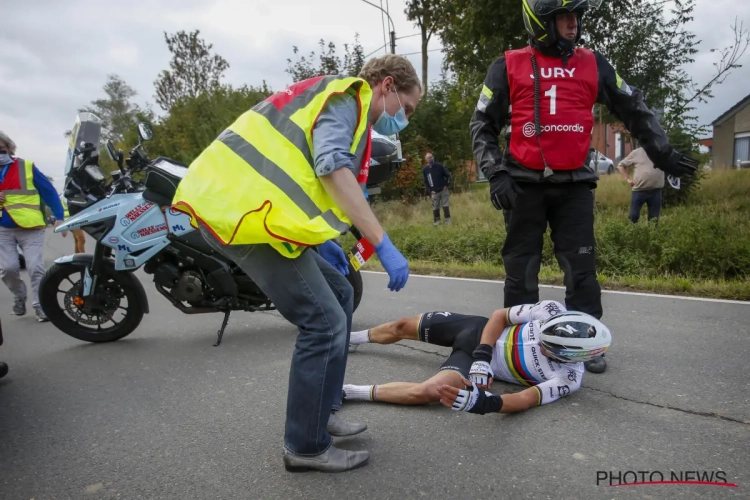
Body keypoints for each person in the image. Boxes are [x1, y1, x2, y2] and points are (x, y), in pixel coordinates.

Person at [171, 55, 421, 473]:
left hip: (257, 216)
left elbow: (296, 177)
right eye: (407, 109)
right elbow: (330, 168)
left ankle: (323, 411)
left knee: (340, 294)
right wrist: (382, 242)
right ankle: (305, 446)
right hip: (240, 216)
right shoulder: (348, 98)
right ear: (387, 85)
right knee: (322, 321)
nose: (404, 119)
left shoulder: (342, 107)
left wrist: (321, 242)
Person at [470, 0, 698, 375]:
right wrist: (495, 171)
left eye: (576, 17)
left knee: (581, 270)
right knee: (521, 271)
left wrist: (663, 152)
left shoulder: (594, 63)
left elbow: (633, 107)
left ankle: (585, 343)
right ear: (541, 22)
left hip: (574, 185)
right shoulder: (507, 64)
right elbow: (482, 123)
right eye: (564, 17)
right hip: (523, 186)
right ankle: (521, 344)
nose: (573, 24)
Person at [342, 300, 611, 415]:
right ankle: (349, 339)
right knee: (402, 325)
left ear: (569, 357)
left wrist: (484, 403)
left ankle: (348, 392)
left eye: (546, 347)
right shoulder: (550, 309)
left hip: (473, 366)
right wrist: (483, 353)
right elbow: (499, 316)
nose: (538, 343)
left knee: (428, 392)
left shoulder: (569, 378)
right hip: (477, 332)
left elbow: (524, 399)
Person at [0, 131, 66, 322]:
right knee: (9, 269)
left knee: (35, 267)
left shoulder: (25, 166)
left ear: (9, 148)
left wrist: (60, 216)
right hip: (3, 229)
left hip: (31, 227)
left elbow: (48, 191)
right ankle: (19, 295)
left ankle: (40, 306)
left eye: (2, 150)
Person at [617, 147, 665, 224]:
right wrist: (628, 179)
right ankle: (632, 234)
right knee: (633, 217)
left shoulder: (661, 151)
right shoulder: (637, 152)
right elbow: (621, 166)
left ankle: (652, 235)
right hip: (639, 191)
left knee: (654, 219)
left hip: (656, 191)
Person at [422, 152, 452, 225]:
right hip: (434, 191)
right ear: (426, 160)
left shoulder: (439, 166)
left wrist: (446, 184)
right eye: (429, 157)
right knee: (435, 207)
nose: (431, 158)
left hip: (443, 189)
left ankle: (447, 221)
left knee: (445, 205)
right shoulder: (425, 170)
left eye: (432, 157)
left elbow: (448, 175)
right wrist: (430, 190)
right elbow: (426, 181)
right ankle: (437, 221)